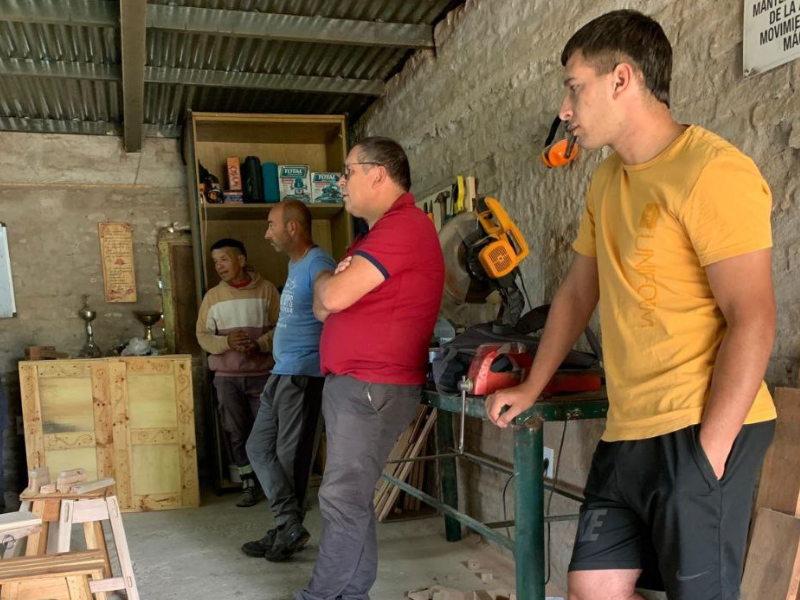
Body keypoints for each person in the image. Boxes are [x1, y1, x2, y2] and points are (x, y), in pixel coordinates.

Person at [486, 10, 776, 600]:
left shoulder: (712, 172)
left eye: (574, 86)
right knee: (590, 587)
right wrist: (534, 385)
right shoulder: (605, 180)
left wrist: (708, 458)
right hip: (628, 428)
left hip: (702, 425)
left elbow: (755, 318)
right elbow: (575, 293)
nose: (564, 108)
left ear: (622, 79)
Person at [294, 137, 444, 600]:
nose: (341, 183)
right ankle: (351, 592)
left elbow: (332, 299)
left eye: (347, 172)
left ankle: (322, 596)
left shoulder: (402, 228)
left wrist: (322, 277)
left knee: (341, 497)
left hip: (370, 387)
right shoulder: (376, 235)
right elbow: (323, 312)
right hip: (360, 386)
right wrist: (328, 286)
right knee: (350, 498)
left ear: (377, 173)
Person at [241, 200, 336, 561]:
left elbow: (334, 314)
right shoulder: (294, 264)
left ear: (292, 227)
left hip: (304, 375)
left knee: (290, 457)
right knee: (258, 448)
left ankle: (286, 527)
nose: (267, 234)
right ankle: (287, 524)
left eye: (271, 225)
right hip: (281, 372)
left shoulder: (319, 264)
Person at [196, 238, 280, 507]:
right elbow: (202, 335)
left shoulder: (266, 290)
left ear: (241, 260)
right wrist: (226, 343)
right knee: (235, 430)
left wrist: (260, 344)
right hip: (227, 378)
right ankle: (248, 483)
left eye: (224, 259)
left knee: (266, 430)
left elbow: (282, 327)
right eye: (215, 261)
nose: (219, 266)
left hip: (262, 374)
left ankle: (272, 484)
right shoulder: (212, 297)